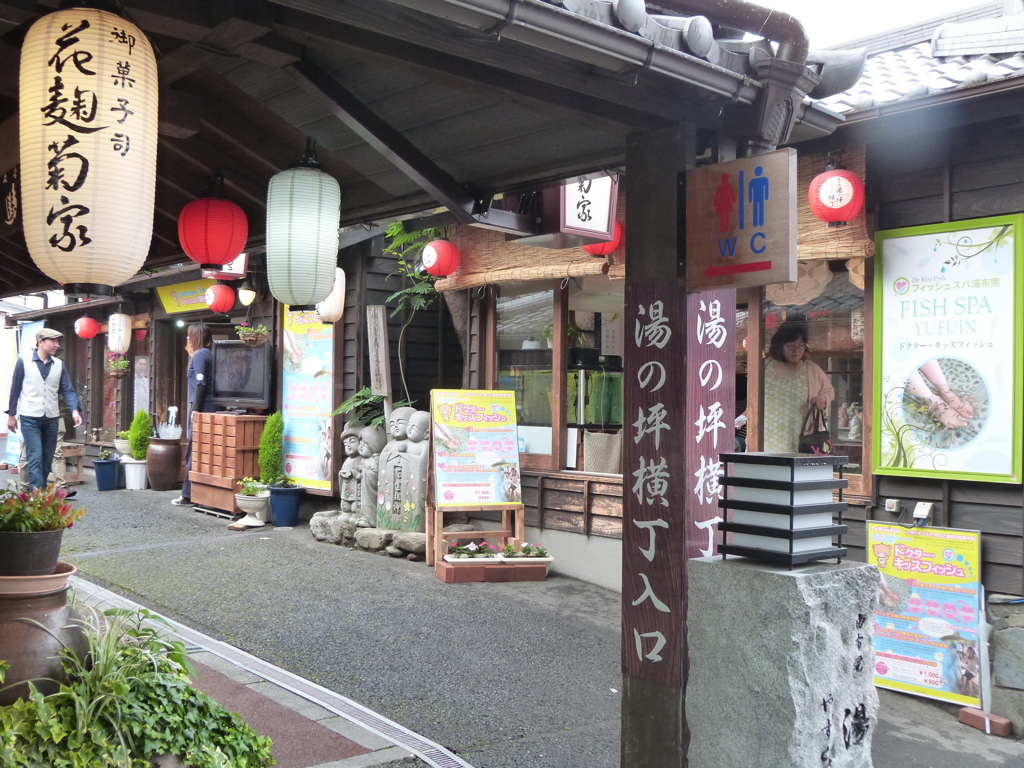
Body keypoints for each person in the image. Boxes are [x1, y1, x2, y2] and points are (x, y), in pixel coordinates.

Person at [6, 328, 83, 491]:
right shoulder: (24, 361)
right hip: (29, 417)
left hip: (51, 417)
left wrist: (74, 411)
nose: (57, 345)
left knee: (48, 458)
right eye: (53, 341)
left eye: (57, 341)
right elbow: (15, 389)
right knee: (35, 456)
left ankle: (38, 492)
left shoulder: (59, 365)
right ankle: (38, 496)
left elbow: (67, 389)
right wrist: (11, 415)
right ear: (41, 342)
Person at [762, 319, 834, 453]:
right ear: (780, 345)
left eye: (801, 345)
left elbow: (829, 391)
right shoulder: (765, 366)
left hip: (801, 435)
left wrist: (822, 398)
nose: (797, 350)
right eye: (791, 346)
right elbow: (752, 397)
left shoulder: (811, 369)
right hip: (767, 435)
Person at [172, 323, 216, 506]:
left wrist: (196, 409)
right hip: (210, 407)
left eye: (190, 336)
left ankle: (188, 494)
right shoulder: (209, 354)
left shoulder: (199, 355)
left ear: (197, 337)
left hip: (201, 407)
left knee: (193, 451)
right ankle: (193, 493)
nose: (188, 339)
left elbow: (200, 383)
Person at [18, 394, 73, 497]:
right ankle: (25, 488)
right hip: (31, 418)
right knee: (28, 454)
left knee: (57, 453)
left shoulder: (58, 377)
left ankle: (62, 487)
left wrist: (74, 409)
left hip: (54, 417)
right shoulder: (27, 379)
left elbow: (67, 391)